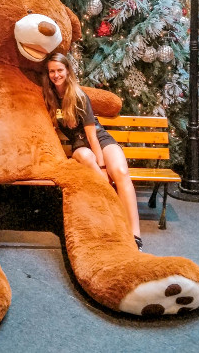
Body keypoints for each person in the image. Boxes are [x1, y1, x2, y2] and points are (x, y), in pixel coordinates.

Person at [43, 52, 142, 250]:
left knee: (121, 173)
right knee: (85, 156)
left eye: (60, 70)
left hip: (99, 139)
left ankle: (135, 235)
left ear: (68, 71)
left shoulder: (79, 96)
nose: (56, 75)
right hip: (79, 146)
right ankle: (113, 214)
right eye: (52, 71)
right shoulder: (50, 97)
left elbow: (93, 136)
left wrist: (102, 165)